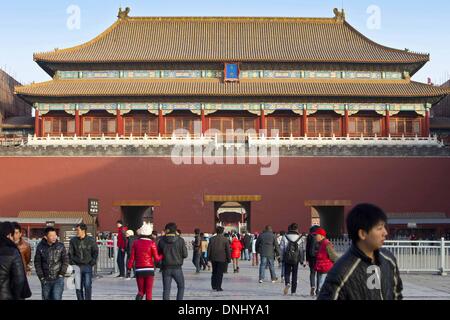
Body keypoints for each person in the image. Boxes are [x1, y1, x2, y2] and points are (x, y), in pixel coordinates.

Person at [318, 204, 403, 300]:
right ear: (362, 234)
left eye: (384, 227)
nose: (385, 233)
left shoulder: (388, 259)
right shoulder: (341, 272)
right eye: (379, 228)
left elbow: (397, 293)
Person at [127, 222, 162, 300]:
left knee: (141, 291)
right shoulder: (152, 243)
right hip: (149, 269)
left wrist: (129, 268)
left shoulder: (135, 243)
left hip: (139, 270)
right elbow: (156, 258)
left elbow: (132, 257)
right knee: (149, 292)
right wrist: (162, 255)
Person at [34, 227, 69, 300]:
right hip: (45, 279)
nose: (54, 237)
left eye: (55, 235)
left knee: (56, 298)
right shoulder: (40, 247)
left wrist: (61, 274)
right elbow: (37, 263)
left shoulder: (60, 246)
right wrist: (41, 277)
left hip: (58, 278)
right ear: (46, 237)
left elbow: (65, 261)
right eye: (51, 235)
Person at [0, 222, 32, 300]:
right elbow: (19, 279)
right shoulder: (12, 251)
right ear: (9, 234)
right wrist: (17, 295)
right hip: (7, 295)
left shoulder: (25, 246)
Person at [157, 222, 188, 300]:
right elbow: (185, 255)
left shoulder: (161, 240)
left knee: (166, 289)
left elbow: (158, 254)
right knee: (181, 286)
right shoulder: (180, 240)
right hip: (177, 267)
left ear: (167, 230)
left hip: (166, 267)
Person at [69, 223, 99, 300]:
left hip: (87, 266)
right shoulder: (73, 241)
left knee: (87, 286)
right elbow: (70, 253)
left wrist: (92, 262)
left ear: (83, 230)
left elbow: (95, 252)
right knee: (78, 287)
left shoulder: (91, 240)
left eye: (78, 230)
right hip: (77, 267)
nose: (77, 232)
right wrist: (73, 264)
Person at [280, 223, 306, 296]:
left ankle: (287, 283)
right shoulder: (300, 238)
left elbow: (282, 249)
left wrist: (281, 258)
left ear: (290, 228)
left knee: (287, 272)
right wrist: (302, 260)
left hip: (287, 257)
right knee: (295, 274)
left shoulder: (285, 237)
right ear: (297, 229)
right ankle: (293, 292)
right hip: (296, 258)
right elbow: (302, 250)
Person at [311, 228, 338, 294]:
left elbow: (333, 256)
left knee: (322, 287)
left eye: (316, 235)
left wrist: (338, 265)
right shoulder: (319, 244)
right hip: (321, 268)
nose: (315, 237)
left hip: (326, 269)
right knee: (321, 287)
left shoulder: (327, 244)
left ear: (321, 236)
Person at [207, 226, 231, 291]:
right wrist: (229, 259)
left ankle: (214, 285)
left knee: (214, 272)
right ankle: (218, 287)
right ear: (222, 231)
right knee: (220, 273)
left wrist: (208, 258)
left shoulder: (212, 239)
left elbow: (209, 249)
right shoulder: (225, 239)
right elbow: (228, 250)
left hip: (213, 258)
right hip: (222, 258)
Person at [305, 225, 320, 296]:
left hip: (311, 257)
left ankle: (312, 286)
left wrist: (307, 259)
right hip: (319, 257)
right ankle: (318, 289)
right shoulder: (320, 236)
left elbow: (307, 248)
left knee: (312, 273)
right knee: (319, 274)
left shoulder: (309, 236)